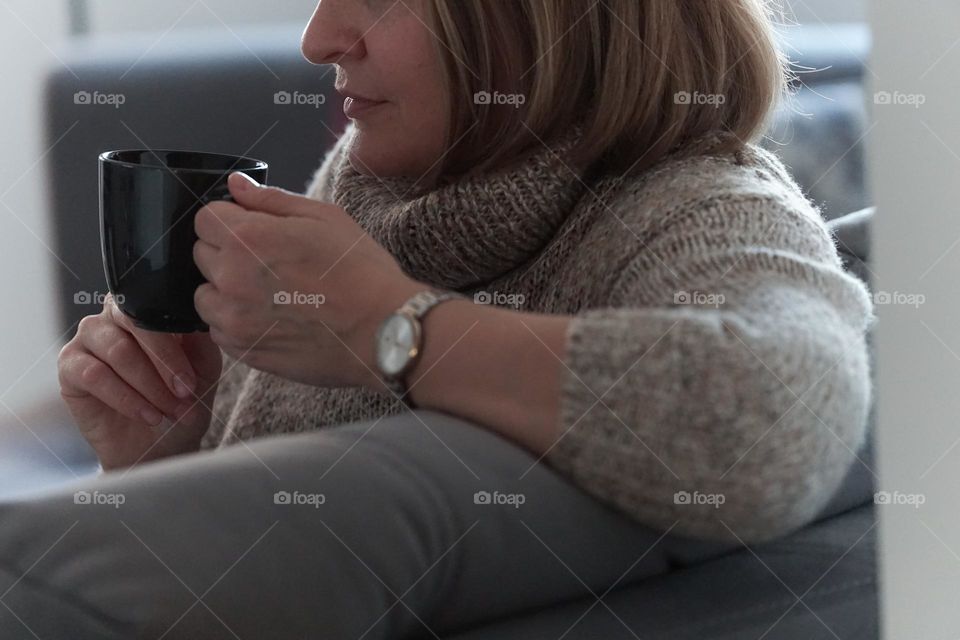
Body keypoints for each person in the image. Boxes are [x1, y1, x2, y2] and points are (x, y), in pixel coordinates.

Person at [9, 0, 872, 637]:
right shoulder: (388, 178)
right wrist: (163, 455)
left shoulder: (696, 206)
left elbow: (778, 416)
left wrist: (395, 329)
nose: (319, 39)